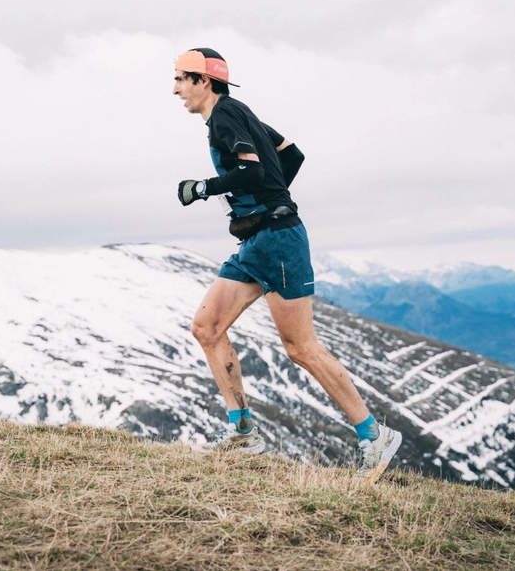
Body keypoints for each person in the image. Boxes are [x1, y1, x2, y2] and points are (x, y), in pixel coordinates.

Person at [171, 47, 403, 483]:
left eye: (182, 78)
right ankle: (243, 434)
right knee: (206, 327)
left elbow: (253, 171)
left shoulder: (224, 118)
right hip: (257, 240)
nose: (175, 88)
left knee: (300, 348)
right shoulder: (241, 113)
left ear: (205, 81)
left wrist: (203, 187)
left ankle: (375, 435)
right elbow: (292, 155)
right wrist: (263, 203)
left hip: (278, 241)